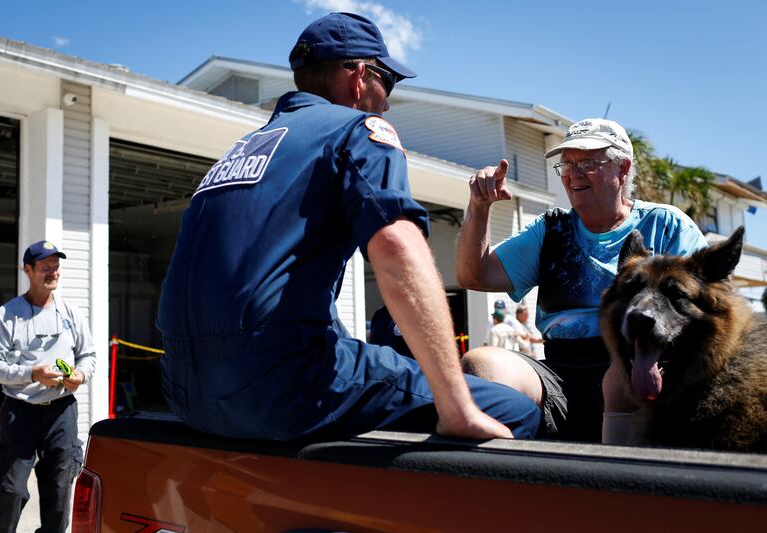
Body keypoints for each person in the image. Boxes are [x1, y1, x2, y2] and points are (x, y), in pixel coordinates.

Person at [156, 12, 541, 443]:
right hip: (280, 387)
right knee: (513, 411)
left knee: (382, 349)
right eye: (387, 82)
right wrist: (456, 407)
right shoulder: (357, 130)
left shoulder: (238, 154)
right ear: (359, 77)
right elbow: (397, 248)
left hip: (183, 392)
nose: (388, 102)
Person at [456, 118, 707, 443]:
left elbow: (700, 302)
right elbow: (472, 275)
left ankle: (616, 486)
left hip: (639, 360)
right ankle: (507, 482)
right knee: (480, 365)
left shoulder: (666, 225)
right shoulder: (550, 229)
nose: (573, 173)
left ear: (622, 168)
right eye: (567, 164)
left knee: (618, 378)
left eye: (588, 162)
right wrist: (479, 208)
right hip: (559, 368)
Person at [0, 240, 96, 533]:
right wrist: (32, 374)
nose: (53, 272)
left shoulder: (71, 313)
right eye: (45, 267)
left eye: (56, 266)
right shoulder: (7, 315)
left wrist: (80, 376)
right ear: (28, 270)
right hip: (20, 413)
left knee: (59, 490)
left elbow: (88, 357)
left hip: (61, 413)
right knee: (11, 489)